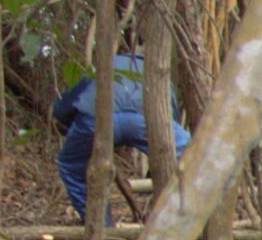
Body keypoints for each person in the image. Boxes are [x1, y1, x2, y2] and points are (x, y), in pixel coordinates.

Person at [52, 49, 190, 219]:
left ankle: (100, 224)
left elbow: (66, 105)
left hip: (97, 118)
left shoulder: (104, 65)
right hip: (145, 120)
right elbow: (171, 117)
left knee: (72, 165)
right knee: (190, 156)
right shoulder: (160, 73)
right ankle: (185, 218)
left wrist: (73, 128)